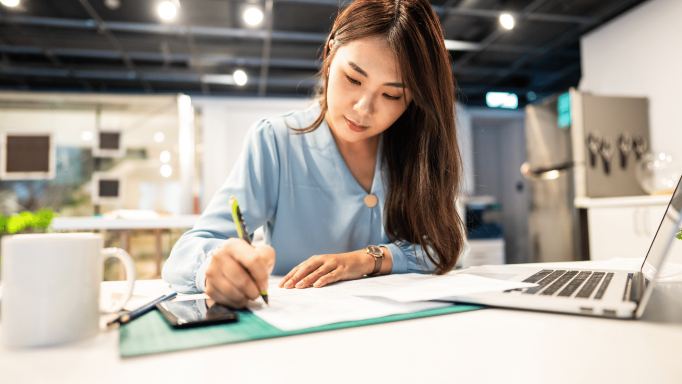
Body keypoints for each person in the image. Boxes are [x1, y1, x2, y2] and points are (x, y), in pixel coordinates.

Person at [162, 0, 468, 308]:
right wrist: (213, 267)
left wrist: (366, 260)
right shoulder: (276, 140)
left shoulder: (415, 147)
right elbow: (185, 253)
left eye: (391, 95)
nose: (363, 108)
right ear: (331, 51)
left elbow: (441, 249)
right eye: (353, 79)